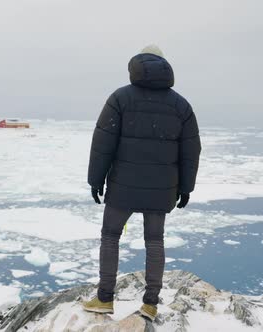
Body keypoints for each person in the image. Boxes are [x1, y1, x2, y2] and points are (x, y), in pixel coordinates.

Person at [83, 45, 201, 321]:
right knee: (155, 241)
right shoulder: (180, 105)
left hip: (122, 185)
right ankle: (150, 304)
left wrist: (95, 179)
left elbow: (103, 143)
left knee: (111, 236)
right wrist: (185, 187)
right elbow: (190, 151)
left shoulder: (120, 98)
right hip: (161, 189)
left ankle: (104, 298)